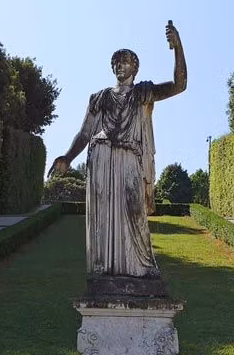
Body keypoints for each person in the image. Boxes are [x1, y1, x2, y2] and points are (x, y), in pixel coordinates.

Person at [49, 21, 187, 279]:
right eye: (116, 62)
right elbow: (85, 132)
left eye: (125, 62)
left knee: (135, 213)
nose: (120, 66)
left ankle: (141, 268)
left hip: (130, 158)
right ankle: (104, 270)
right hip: (100, 157)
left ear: (135, 67)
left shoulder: (143, 92)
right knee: (102, 217)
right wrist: (67, 157)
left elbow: (179, 85)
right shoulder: (99, 97)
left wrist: (178, 48)